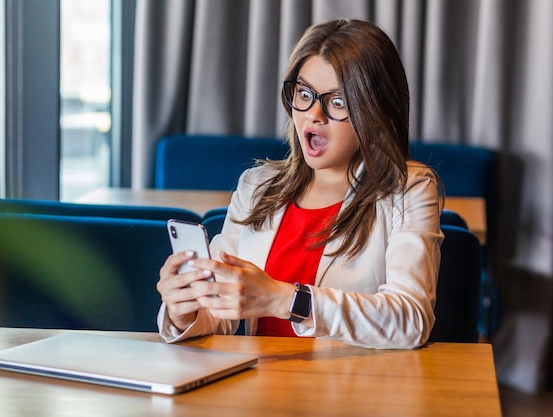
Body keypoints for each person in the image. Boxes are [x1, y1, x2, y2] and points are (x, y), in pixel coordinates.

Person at [156, 18, 444, 349]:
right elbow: (219, 315)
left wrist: (286, 300)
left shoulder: (409, 189)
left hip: (354, 392)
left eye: (337, 102)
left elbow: (410, 320)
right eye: (304, 93)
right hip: (260, 389)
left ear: (376, 111)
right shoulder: (256, 186)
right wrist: (184, 312)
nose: (313, 114)